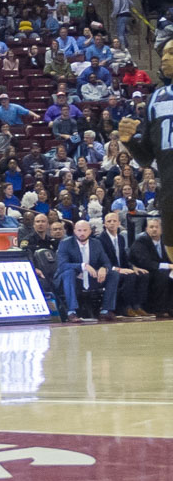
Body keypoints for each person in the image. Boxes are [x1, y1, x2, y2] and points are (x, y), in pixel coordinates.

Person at [120, 30, 173, 265]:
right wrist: (129, 141)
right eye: (163, 53)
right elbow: (146, 159)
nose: (164, 58)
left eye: (171, 53)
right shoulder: (155, 99)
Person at [56, 220, 120, 323]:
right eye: (79, 230)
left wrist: (104, 268)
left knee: (113, 274)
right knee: (69, 273)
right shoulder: (65, 243)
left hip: (92, 278)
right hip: (74, 279)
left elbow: (107, 262)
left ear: (90, 231)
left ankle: (105, 310)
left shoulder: (96, 243)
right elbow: (62, 265)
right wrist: (83, 266)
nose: (82, 233)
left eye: (85, 230)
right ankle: (71, 312)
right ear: (74, 231)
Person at [98, 211, 151, 319]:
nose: (112, 223)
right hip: (109, 270)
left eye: (114, 221)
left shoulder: (121, 238)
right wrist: (119, 269)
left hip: (122, 268)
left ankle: (137, 305)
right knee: (130, 276)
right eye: (109, 221)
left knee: (143, 275)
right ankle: (125, 307)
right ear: (105, 224)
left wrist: (133, 267)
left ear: (118, 223)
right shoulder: (100, 239)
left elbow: (124, 258)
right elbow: (101, 261)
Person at [130, 217, 172, 317]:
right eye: (151, 227)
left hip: (163, 270)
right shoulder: (141, 242)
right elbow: (145, 262)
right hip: (147, 270)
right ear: (146, 229)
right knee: (163, 277)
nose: (154, 229)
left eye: (157, 227)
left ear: (162, 229)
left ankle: (170, 307)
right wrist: (168, 266)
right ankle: (159, 309)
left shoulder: (166, 242)